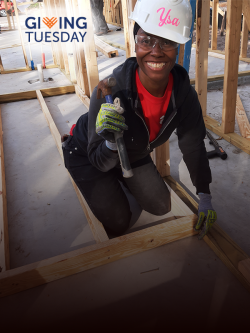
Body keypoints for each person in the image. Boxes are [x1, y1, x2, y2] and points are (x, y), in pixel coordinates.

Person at [62, 0, 217, 239]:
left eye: (167, 41)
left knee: (160, 206)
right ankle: (76, 147)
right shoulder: (109, 91)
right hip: (89, 153)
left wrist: (204, 196)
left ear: (178, 45)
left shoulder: (183, 93)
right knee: (120, 221)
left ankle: (120, 172)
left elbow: (193, 145)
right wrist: (111, 143)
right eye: (147, 40)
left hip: (132, 149)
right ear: (136, 43)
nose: (156, 51)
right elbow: (99, 160)